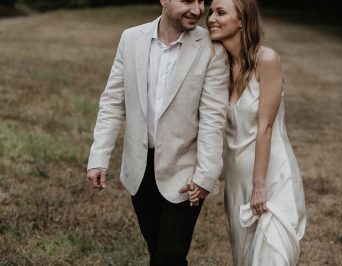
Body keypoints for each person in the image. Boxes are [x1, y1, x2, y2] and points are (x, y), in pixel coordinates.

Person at [86, 0, 229, 265]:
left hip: (185, 174)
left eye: (200, 1)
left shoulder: (212, 48)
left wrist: (205, 175)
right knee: (157, 252)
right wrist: (98, 157)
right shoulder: (130, 39)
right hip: (139, 169)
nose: (197, 10)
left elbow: (213, 119)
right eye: (188, 0)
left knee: (170, 257)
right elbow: (112, 102)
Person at [189, 0, 307, 265]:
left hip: (271, 180)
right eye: (210, 13)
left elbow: (264, 127)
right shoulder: (217, 65)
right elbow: (208, 126)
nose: (211, 19)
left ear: (242, 20)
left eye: (221, 12)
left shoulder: (266, 60)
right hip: (236, 181)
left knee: (270, 257)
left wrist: (259, 187)